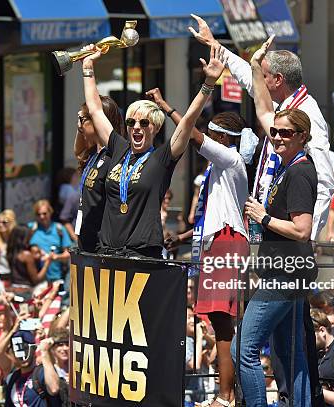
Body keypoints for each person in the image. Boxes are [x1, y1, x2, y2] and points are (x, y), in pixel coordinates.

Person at [149, 87, 250, 407]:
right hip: (218, 242)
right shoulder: (220, 169)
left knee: (223, 323)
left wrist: (166, 106)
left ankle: (226, 396)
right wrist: (181, 239)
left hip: (228, 244)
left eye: (212, 132)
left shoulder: (231, 159)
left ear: (223, 138)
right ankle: (227, 394)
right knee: (219, 324)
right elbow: (215, 218)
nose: (206, 136)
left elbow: (191, 134)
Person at [189, 17, 334, 241]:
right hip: (269, 223)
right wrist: (214, 44)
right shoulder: (279, 105)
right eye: (276, 132)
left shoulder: (308, 114)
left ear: (278, 80)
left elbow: (325, 181)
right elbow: (248, 77)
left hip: (291, 230)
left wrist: (310, 236)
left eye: (263, 76)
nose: (277, 136)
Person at [81, 42, 228, 258]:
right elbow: (94, 109)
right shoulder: (118, 147)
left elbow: (188, 121)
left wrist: (208, 83)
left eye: (144, 123)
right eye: (131, 123)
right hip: (107, 252)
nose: (136, 128)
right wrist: (87, 67)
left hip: (142, 253)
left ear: (156, 127)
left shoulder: (161, 158)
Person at [239, 38, 318, 407]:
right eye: (275, 133)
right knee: (291, 353)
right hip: (286, 270)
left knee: (245, 348)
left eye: (287, 133)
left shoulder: (300, 173)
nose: (278, 137)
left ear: (303, 137)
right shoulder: (287, 164)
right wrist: (256, 67)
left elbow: (302, 229)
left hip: (286, 273)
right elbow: (263, 109)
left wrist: (263, 217)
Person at [72, 96, 125, 252]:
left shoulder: (113, 157)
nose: (79, 124)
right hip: (86, 242)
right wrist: (81, 122)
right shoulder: (94, 154)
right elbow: (78, 151)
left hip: (102, 247)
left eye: (83, 119)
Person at [4, 331, 60, 407]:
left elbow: (54, 389)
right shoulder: (11, 379)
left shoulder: (42, 372)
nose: (23, 356)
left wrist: (45, 352)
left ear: (34, 348)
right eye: (18, 351)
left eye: (26, 349)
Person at [28, 200, 71, 283]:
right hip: (35, 280)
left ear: (50, 212)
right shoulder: (31, 229)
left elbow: (68, 254)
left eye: (44, 213)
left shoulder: (59, 229)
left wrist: (56, 257)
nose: (42, 217)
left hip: (55, 278)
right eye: (38, 214)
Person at [311, 309, 334, 406]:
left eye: (309, 336)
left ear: (322, 330)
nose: (306, 340)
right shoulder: (317, 353)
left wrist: (314, 390)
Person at [0, 209, 16, 279]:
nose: (0, 225)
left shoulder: (16, 240)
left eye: (4, 222)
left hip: (13, 277)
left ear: (11, 223)